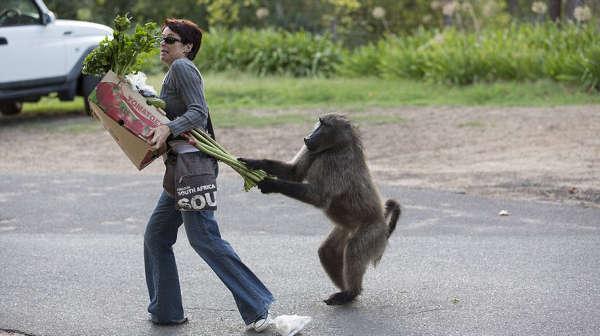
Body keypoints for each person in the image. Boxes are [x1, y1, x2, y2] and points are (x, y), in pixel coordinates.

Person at [144, 18, 273, 332]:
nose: (163, 44)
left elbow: (198, 113)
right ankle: (166, 311)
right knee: (157, 236)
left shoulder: (182, 68)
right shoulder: (175, 72)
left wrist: (168, 127)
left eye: (170, 40)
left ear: (187, 47)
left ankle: (257, 305)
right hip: (181, 170)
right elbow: (182, 111)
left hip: (193, 171)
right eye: (161, 40)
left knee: (204, 239)